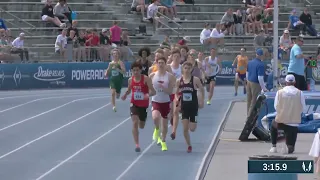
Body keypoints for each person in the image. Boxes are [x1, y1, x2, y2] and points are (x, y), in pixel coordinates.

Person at [121, 61, 156, 152]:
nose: (135, 72)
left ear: (140, 70)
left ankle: (143, 119)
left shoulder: (146, 79)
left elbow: (153, 92)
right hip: (134, 104)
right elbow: (129, 90)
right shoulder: (130, 80)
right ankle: (137, 144)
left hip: (143, 105)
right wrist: (125, 94)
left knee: (142, 125)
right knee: (135, 122)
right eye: (134, 70)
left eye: (137, 70)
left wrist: (146, 96)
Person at [270, 74, 305, 154]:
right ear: (295, 82)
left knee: (273, 124)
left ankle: (274, 146)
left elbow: (276, 107)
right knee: (291, 148)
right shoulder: (300, 93)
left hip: (281, 122)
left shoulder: (279, 92)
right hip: (294, 124)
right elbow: (303, 108)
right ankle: (288, 146)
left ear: (286, 82)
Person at [176, 61, 204, 152]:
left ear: (191, 69)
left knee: (192, 129)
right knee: (185, 129)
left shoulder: (195, 79)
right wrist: (178, 101)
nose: (187, 70)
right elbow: (176, 93)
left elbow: (202, 89)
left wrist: (201, 100)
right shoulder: (179, 80)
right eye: (185, 68)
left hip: (193, 107)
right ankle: (189, 145)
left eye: (188, 68)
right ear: (182, 69)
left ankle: (190, 122)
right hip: (184, 107)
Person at [149, 57, 175, 151]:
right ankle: (156, 129)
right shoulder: (152, 75)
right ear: (156, 64)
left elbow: (170, 92)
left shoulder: (170, 77)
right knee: (155, 117)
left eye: (162, 63)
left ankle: (163, 141)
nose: (160, 64)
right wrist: (148, 94)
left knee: (164, 124)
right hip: (156, 100)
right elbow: (150, 89)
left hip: (165, 101)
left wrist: (163, 88)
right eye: (159, 63)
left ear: (165, 64)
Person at [246, 48, 267, 117]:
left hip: (249, 81)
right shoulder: (261, 64)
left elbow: (247, 73)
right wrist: (264, 88)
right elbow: (260, 78)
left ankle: (247, 115)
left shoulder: (250, 62)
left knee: (249, 100)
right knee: (254, 101)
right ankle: (249, 118)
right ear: (261, 56)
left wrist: (247, 81)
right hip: (255, 83)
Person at [169, 49, 182, 139]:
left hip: (178, 91)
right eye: (175, 56)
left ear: (180, 58)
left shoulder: (182, 68)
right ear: (172, 57)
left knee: (176, 111)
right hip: (169, 91)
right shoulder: (168, 67)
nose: (176, 58)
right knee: (170, 112)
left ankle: (174, 131)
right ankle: (171, 120)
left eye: (178, 56)